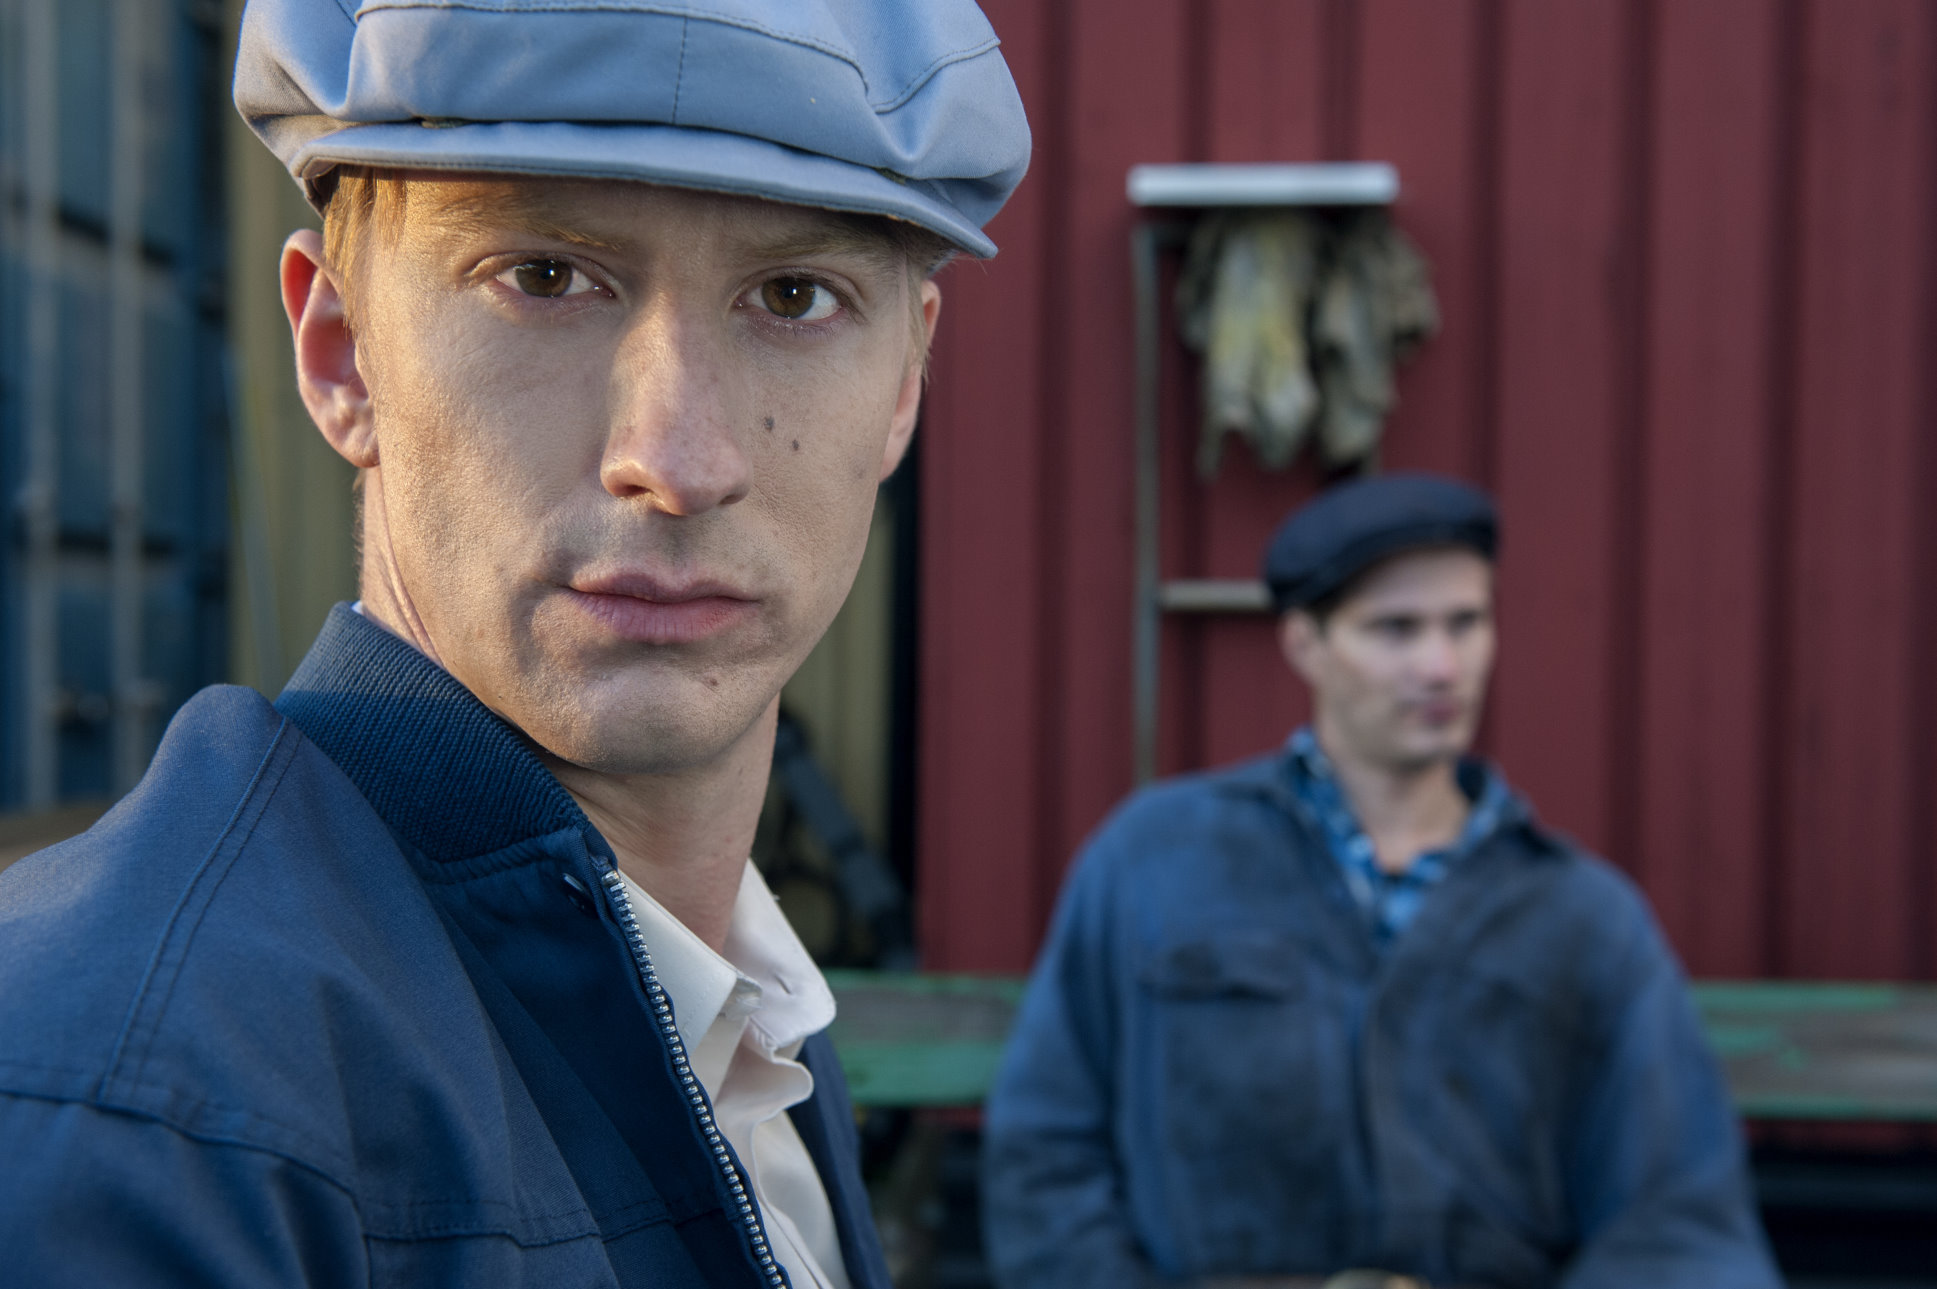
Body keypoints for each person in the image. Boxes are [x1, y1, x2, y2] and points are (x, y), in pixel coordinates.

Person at [0, 2, 1027, 1285]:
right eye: (544, 279)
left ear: (904, 385)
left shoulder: (740, 1001)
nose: (677, 459)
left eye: (792, 295)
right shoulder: (130, 1115)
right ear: (342, 354)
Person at [982, 473, 1781, 1289]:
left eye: (1464, 623)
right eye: (1395, 629)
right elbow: (1045, 1157)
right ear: (1305, 644)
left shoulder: (1580, 917)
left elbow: (1676, 1225)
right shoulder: (1155, 862)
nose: (1440, 666)